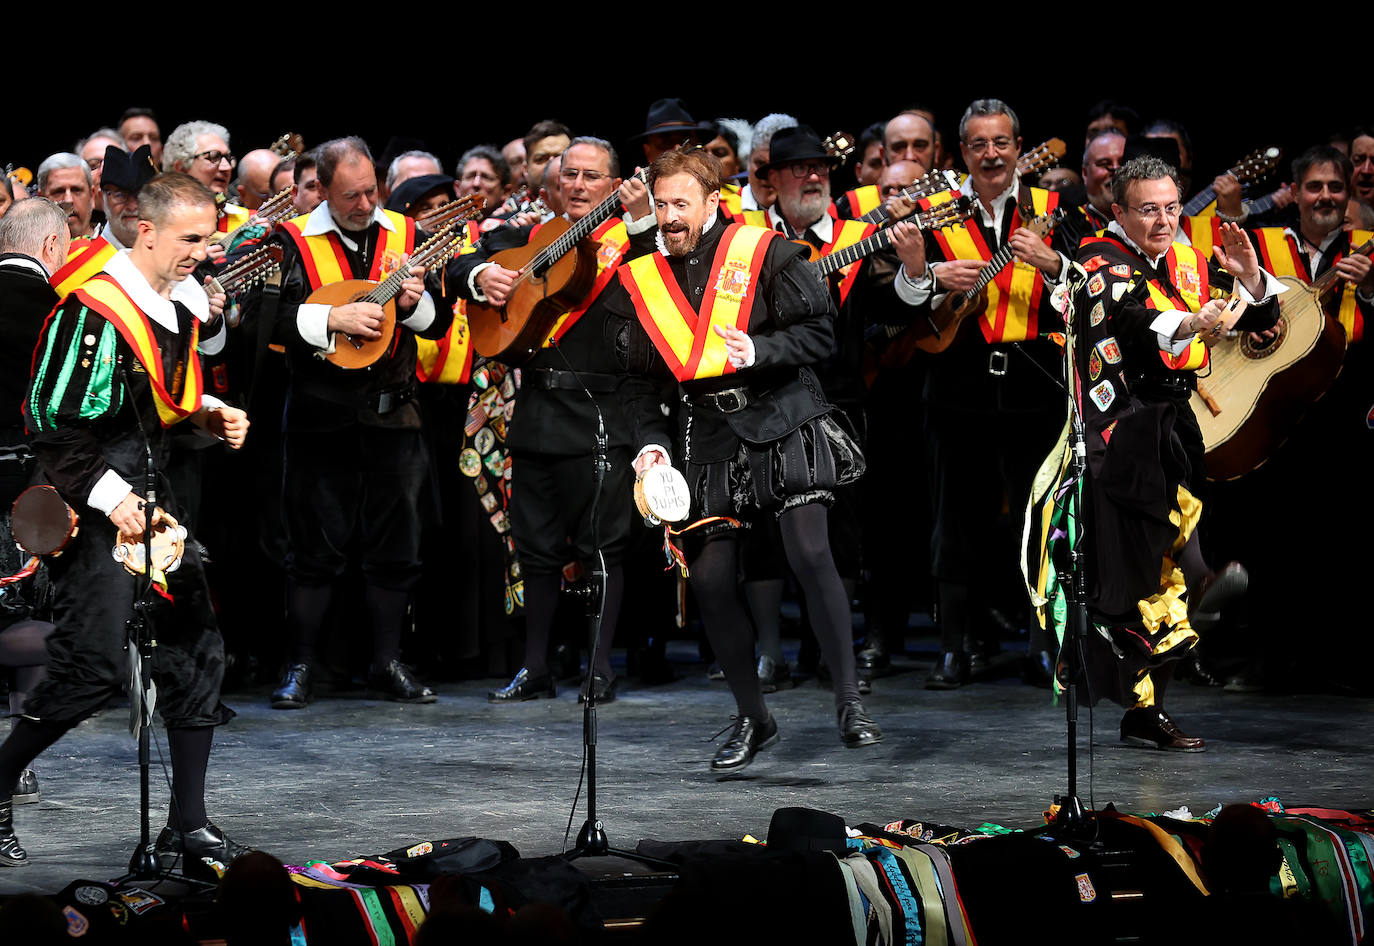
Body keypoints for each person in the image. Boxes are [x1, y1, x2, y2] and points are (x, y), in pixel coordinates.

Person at [0, 173, 251, 870]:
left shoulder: (176, 306)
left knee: (198, 646)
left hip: (154, 494)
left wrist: (208, 417)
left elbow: (156, 408)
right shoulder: (94, 309)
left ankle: (189, 825)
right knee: (95, 667)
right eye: (191, 239)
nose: (205, 252)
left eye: (209, 237)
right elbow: (54, 427)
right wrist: (115, 502)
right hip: (94, 499)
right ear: (147, 232)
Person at [610, 148, 881, 773]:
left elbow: (821, 334)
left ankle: (848, 702)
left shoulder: (765, 253)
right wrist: (650, 449)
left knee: (812, 552)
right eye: (662, 204)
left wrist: (757, 347)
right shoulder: (644, 277)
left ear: (713, 203)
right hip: (706, 436)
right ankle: (754, 717)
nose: (671, 216)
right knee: (707, 580)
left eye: (683, 203)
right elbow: (638, 385)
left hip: (783, 416)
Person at [1065, 154, 1279, 749]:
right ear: (1119, 212)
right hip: (1119, 431)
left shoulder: (1186, 258)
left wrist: (1250, 278)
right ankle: (1196, 585)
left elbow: (1253, 321)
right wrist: (1191, 322)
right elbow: (1135, 321)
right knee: (1140, 573)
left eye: (1169, 208)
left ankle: (1150, 704)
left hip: (1173, 423)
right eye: (1147, 210)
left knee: (1162, 569)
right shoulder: (1096, 261)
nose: (1162, 221)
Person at [457, 137, 653, 704]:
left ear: (615, 185)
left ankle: (598, 669)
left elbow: (654, 288)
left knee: (602, 548)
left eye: (590, 177)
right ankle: (535, 666)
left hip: (601, 413)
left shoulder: (632, 240)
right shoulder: (532, 231)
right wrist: (481, 278)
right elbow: (471, 258)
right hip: (537, 409)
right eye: (568, 174)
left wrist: (639, 220)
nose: (576, 185)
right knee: (536, 551)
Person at [267, 136, 454, 709]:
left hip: (393, 417)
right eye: (351, 195)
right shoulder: (289, 241)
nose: (365, 204)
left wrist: (414, 302)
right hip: (320, 422)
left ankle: (387, 662)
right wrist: (329, 317)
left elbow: (437, 323)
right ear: (320, 189)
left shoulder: (406, 234)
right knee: (313, 550)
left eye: (372, 190)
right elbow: (267, 323)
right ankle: (302, 666)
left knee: (397, 547)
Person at [892, 98, 1072, 689]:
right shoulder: (935, 213)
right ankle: (953, 647)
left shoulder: (1056, 208)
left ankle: (1043, 645)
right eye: (978, 144)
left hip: (1035, 380)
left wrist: (1054, 265)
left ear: (1020, 148)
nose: (991, 154)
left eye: (1002, 142)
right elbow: (902, 301)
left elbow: (1101, 285)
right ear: (961, 152)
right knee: (953, 517)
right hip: (956, 378)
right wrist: (928, 278)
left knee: (1040, 518)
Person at [0, 197, 69, 812]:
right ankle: (16, 757)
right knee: (27, 617)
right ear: (50, 248)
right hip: (26, 486)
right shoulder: (59, 314)